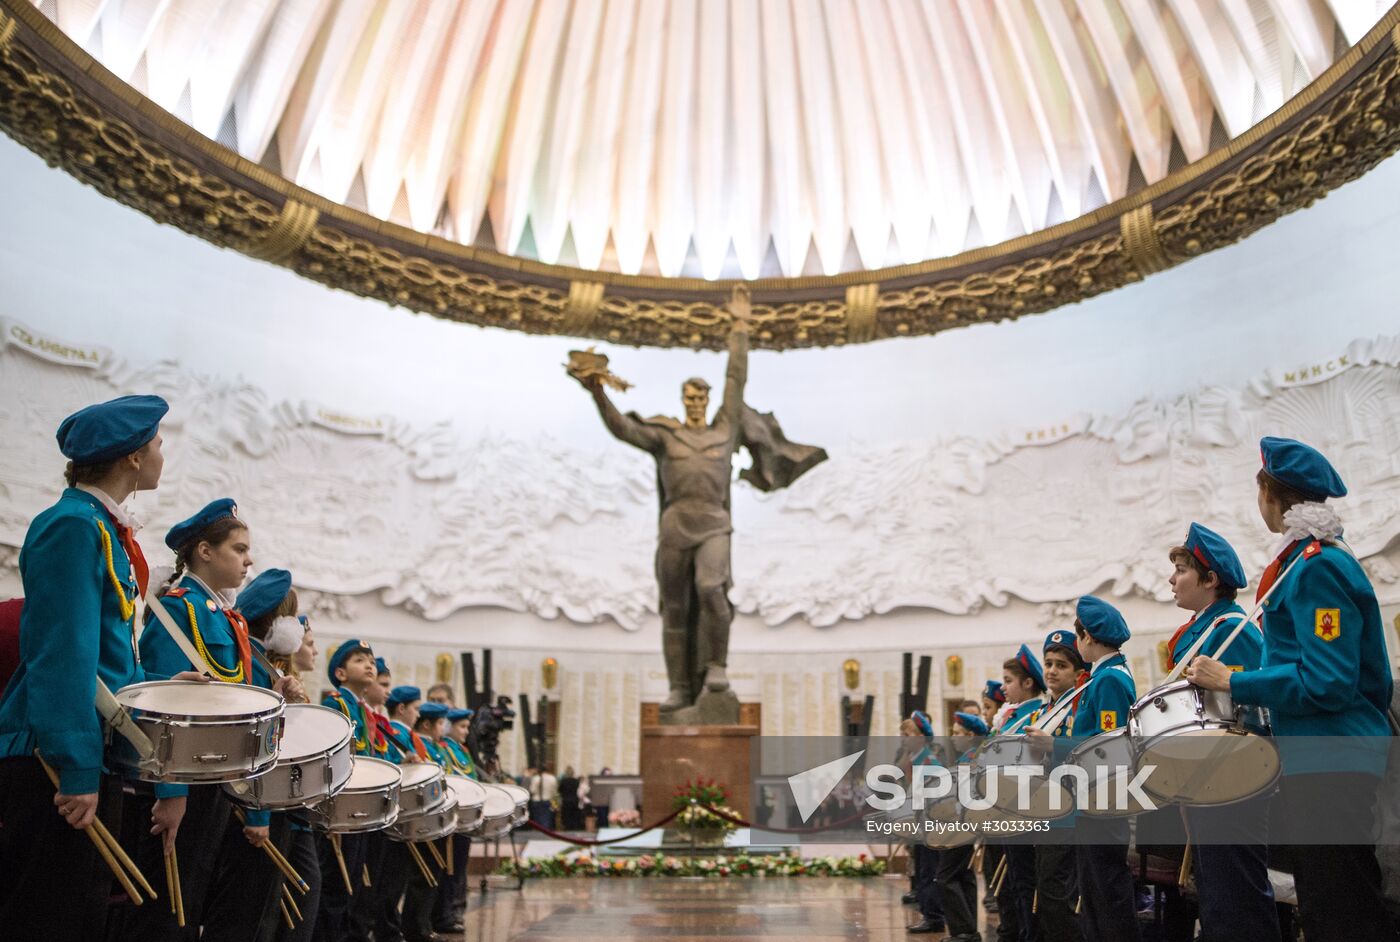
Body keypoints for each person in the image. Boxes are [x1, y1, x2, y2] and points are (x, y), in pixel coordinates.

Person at [1186, 437, 1397, 942]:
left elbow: (1329, 681)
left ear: (1269, 493)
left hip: (1333, 755)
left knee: (1341, 908)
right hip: (1318, 756)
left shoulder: (1318, 566)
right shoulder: (1304, 562)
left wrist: (1233, 681)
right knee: (1326, 905)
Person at [0, 395, 185, 942]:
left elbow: (106, 661)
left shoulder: (100, 527)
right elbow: (61, 656)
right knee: (48, 919)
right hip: (51, 759)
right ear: (133, 457)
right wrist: (77, 767)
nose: (162, 454)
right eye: (158, 444)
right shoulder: (72, 526)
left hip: (86, 750)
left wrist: (158, 689)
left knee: (85, 917)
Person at [123, 498, 295, 941]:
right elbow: (162, 707)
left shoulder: (227, 618)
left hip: (213, 776)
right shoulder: (180, 609)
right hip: (183, 781)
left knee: (191, 900)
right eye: (239, 549)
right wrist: (170, 792)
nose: (248, 560)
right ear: (204, 551)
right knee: (164, 911)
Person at [1159, 523, 1277, 942]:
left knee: (1237, 895)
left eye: (1181, 571)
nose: (1172, 580)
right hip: (1203, 778)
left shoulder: (1231, 628)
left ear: (1209, 579)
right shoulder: (1198, 630)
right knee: (1213, 896)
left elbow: (1252, 712)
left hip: (1233, 778)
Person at [1059, 596, 1140, 942]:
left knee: (1107, 889)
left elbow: (1106, 742)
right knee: (1093, 889)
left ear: (1088, 637)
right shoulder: (1104, 676)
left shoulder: (1109, 679)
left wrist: (1053, 746)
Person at [318, 639, 382, 942]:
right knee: (336, 884)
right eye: (359, 660)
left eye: (371, 661)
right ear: (341, 673)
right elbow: (329, 759)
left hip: (359, 806)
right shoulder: (337, 705)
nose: (369, 665)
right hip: (341, 808)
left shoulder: (360, 710)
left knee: (352, 882)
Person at [1028, 630, 1084, 942]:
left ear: (1077, 673)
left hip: (1069, 806)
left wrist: (1053, 746)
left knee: (1057, 891)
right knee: (1044, 888)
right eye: (1048, 663)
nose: (1051, 670)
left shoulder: (1078, 706)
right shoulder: (1044, 710)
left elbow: (1092, 748)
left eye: (1061, 665)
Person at [992, 645, 1046, 942]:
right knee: (1016, 881)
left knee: (1026, 881)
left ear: (1027, 683)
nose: (1004, 687)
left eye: (1008, 680)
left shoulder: (1035, 717)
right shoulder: (1014, 717)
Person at [903, 711, 946, 936]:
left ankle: (933, 917)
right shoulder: (917, 759)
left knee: (929, 871)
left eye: (908, 734)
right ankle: (927, 912)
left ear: (921, 737)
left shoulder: (929, 761)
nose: (903, 739)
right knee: (922, 870)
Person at [558, 765, 585, 830]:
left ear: (566, 773)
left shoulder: (563, 781)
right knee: (574, 815)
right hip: (575, 800)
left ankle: (567, 827)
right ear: (573, 773)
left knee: (566, 815)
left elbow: (559, 790)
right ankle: (574, 827)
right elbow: (579, 790)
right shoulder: (576, 781)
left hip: (566, 801)